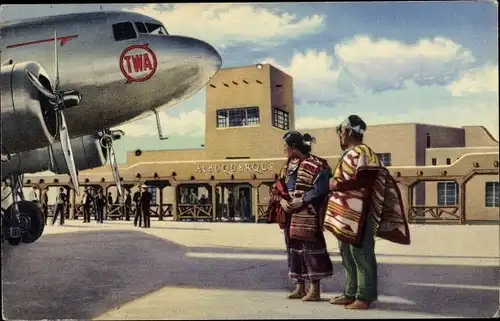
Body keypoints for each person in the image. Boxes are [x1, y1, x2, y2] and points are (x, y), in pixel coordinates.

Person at [324, 115, 411, 310]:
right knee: (347, 253)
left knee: (361, 254)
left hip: (361, 213)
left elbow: (366, 180)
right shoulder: (351, 153)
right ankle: (350, 293)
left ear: (347, 132)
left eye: (341, 132)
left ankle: (364, 296)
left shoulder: (364, 151)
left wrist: (338, 184)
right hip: (346, 214)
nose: (340, 136)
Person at [271, 131, 333, 301]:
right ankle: (300, 287)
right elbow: (278, 187)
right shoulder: (288, 166)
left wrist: (303, 201)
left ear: (293, 147)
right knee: (293, 250)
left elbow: (321, 189)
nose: (284, 149)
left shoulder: (317, 165)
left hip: (308, 214)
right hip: (290, 213)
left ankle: (314, 289)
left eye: (286, 146)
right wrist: (282, 202)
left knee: (311, 251)